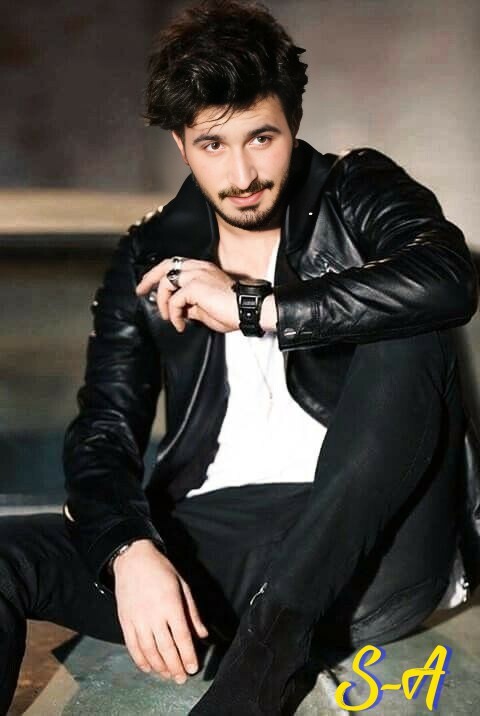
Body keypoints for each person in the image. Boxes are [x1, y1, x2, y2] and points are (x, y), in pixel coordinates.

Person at [1, 1, 479, 714]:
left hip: (374, 547)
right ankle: (256, 629)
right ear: (180, 142)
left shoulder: (356, 189)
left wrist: (257, 307)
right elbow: (102, 433)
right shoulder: (149, 253)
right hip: (223, 536)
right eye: (213, 144)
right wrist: (128, 549)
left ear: (294, 122)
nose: (243, 173)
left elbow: (448, 278)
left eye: (262, 137)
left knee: (412, 322)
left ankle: (264, 660)